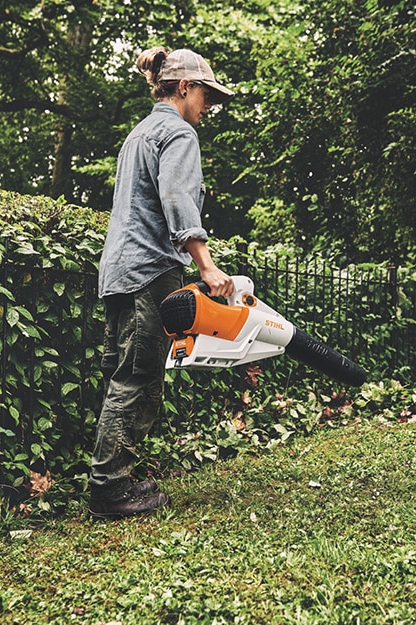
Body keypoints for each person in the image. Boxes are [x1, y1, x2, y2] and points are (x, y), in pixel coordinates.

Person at [88, 46, 236, 519]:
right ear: (185, 88)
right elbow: (176, 198)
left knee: (121, 375)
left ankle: (112, 478)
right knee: (140, 376)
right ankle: (110, 489)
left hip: (118, 272)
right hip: (149, 270)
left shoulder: (140, 133)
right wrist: (206, 265)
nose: (208, 107)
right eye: (206, 95)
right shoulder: (177, 132)